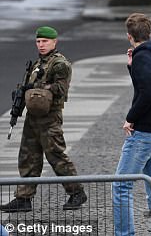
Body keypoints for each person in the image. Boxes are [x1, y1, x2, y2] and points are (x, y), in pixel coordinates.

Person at [0, 26, 87, 213]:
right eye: (38, 41)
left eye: (45, 41)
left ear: (54, 42)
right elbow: (27, 89)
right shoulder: (37, 64)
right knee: (28, 157)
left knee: (56, 156)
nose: (41, 44)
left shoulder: (59, 64)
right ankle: (23, 198)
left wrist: (38, 87)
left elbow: (61, 89)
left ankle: (77, 192)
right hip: (33, 117)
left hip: (50, 117)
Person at [113, 13, 151, 236]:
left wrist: (130, 118)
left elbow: (147, 94)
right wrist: (132, 67)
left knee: (121, 187)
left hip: (144, 133)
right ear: (149, 33)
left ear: (130, 37)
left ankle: (124, 234)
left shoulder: (142, 58)